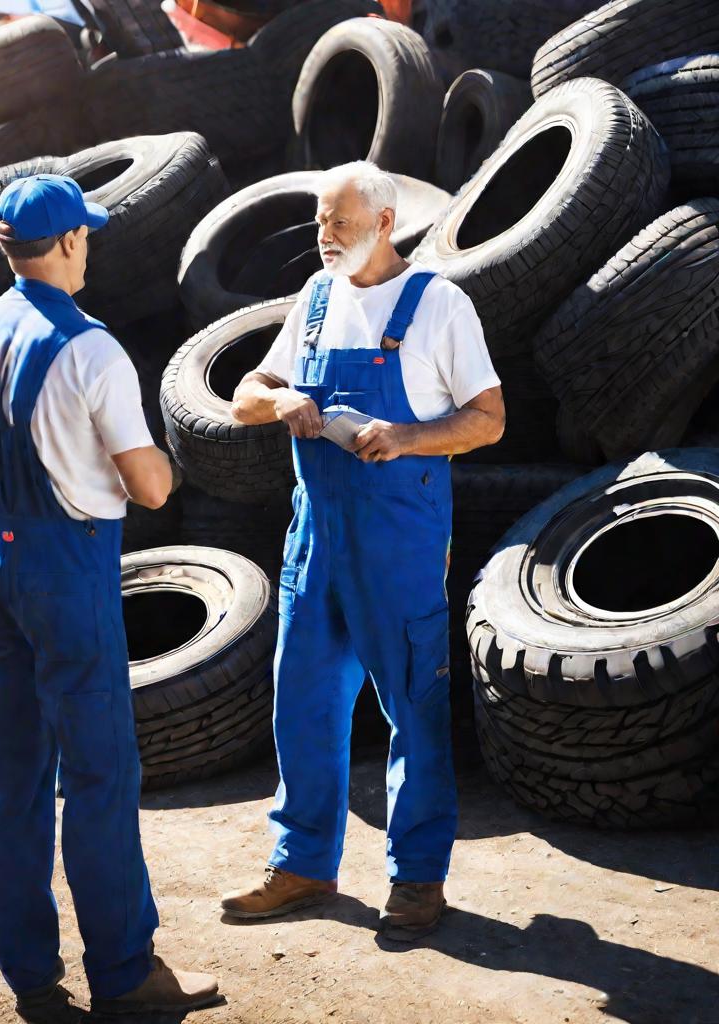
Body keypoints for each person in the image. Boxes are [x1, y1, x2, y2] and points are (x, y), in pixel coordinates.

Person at [0, 174, 219, 1017]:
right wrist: (163, 465)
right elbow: (149, 487)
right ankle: (127, 976)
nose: (89, 246)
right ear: (64, 245)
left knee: (9, 775)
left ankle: (30, 973)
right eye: (85, 236)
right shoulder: (93, 348)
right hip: (67, 563)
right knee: (99, 772)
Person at [220, 161, 505, 941]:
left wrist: (409, 436)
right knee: (303, 706)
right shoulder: (313, 303)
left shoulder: (439, 304)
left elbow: (489, 419)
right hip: (315, 542)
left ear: (384, 221)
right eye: (318, 223)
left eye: (338, 222)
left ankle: (417, 881)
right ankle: (303, 863)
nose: (324, 237)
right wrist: (280, 398)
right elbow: (244, 394)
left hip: (398, 544)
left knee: (413, 710)